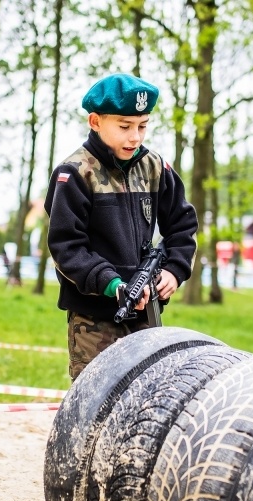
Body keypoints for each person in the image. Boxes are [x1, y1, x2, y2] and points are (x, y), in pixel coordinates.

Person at [44, 73, 198, 381]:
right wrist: (112, 284)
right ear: (95, 121)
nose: (135, 137)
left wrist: (174, 270)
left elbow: (183, 225)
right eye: (124, 126)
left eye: (143, 125)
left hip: (146, 313)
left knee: (148, 395)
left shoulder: (156, 168)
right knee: (95, 401)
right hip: (93, 318)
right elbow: (67, 247)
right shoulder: (75, 173)